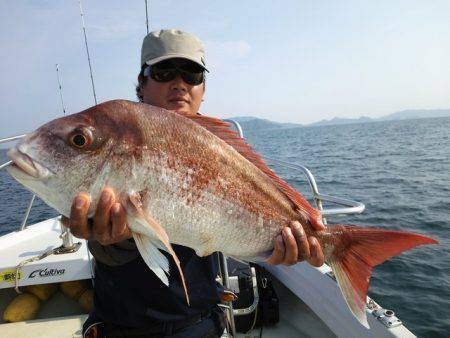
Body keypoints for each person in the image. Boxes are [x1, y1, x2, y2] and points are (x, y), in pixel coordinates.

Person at [64, 29, 325, 338]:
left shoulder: (220, 149)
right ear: (142, 84)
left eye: (192, 73)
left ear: (203, 87)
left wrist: (281, 246)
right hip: (122, 326)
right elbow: (104, 243)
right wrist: (112, 238)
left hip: (203, 323)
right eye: (163, 71)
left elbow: (241, 227)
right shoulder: (120, 137)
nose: (180, 83)